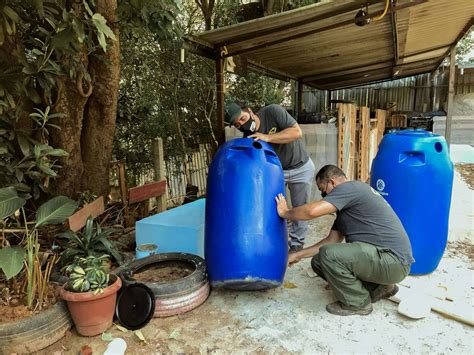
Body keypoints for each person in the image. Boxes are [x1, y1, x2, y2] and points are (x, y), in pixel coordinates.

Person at [274, 164, 414, 316]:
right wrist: (297, 255)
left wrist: (285, 212)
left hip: (393, 260)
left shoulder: (350, 188)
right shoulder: (347, 207)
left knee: (329, 255)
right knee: (319, 260)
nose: (324, 197)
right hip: (385, 260)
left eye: (323, 192)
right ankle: (380, 287)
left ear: (332, 182)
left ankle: (358, 303)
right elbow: (331, 241)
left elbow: (311, 211)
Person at [225, 102, 315, 252]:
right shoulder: (249, 137)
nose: (241, 124)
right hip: (276, 173)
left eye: (242, 118)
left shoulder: (273, 112)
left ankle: (297, 244)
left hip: (300, 167)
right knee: (273, 207)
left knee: (300, 206)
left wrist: (267, 137)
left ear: (249, 111)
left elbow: (296, 132)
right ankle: (275, 242)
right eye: (237, 124)